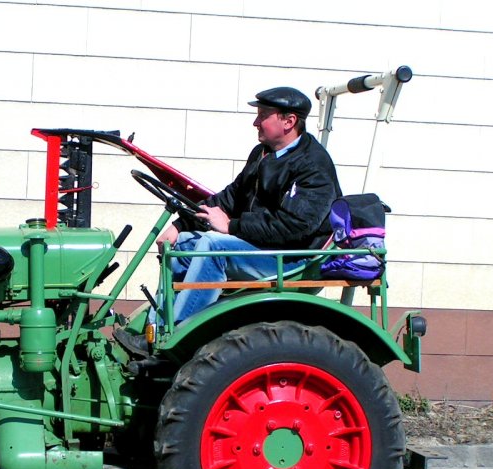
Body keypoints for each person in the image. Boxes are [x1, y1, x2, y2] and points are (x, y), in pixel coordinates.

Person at [116, 86, 342, 356]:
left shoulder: (313, 165)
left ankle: (174, 339)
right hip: (264, 246)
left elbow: (295, 226)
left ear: (289, 121)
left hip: (293, 258)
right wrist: (180, 225)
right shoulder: (263, 153)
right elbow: (230, 197)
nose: (256, 122)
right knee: (183, 245)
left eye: (263, 115)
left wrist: (232, 226)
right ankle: (155, 331)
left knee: (215, 247)